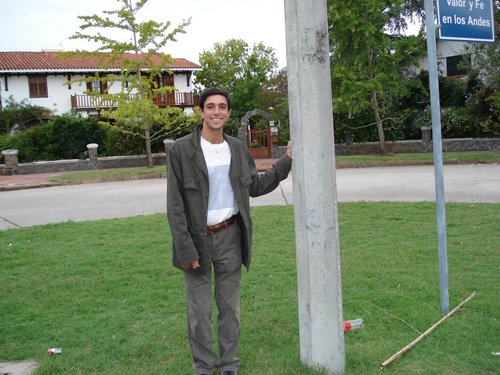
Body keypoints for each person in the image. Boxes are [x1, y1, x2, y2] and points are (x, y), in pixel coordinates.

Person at [166, 87, 292, 375]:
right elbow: (175, 205)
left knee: (230, 309)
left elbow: (255, 186)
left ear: (229, 112)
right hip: (197, 239)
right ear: (201, 112)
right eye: (210, 106)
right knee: (199, 313)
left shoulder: (236, 148)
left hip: (230, 236)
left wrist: (286, 160)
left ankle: (229, 365)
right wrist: (185, 248)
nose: (216, 112)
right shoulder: (182, 151)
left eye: (222, 107)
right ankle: (203, 366)